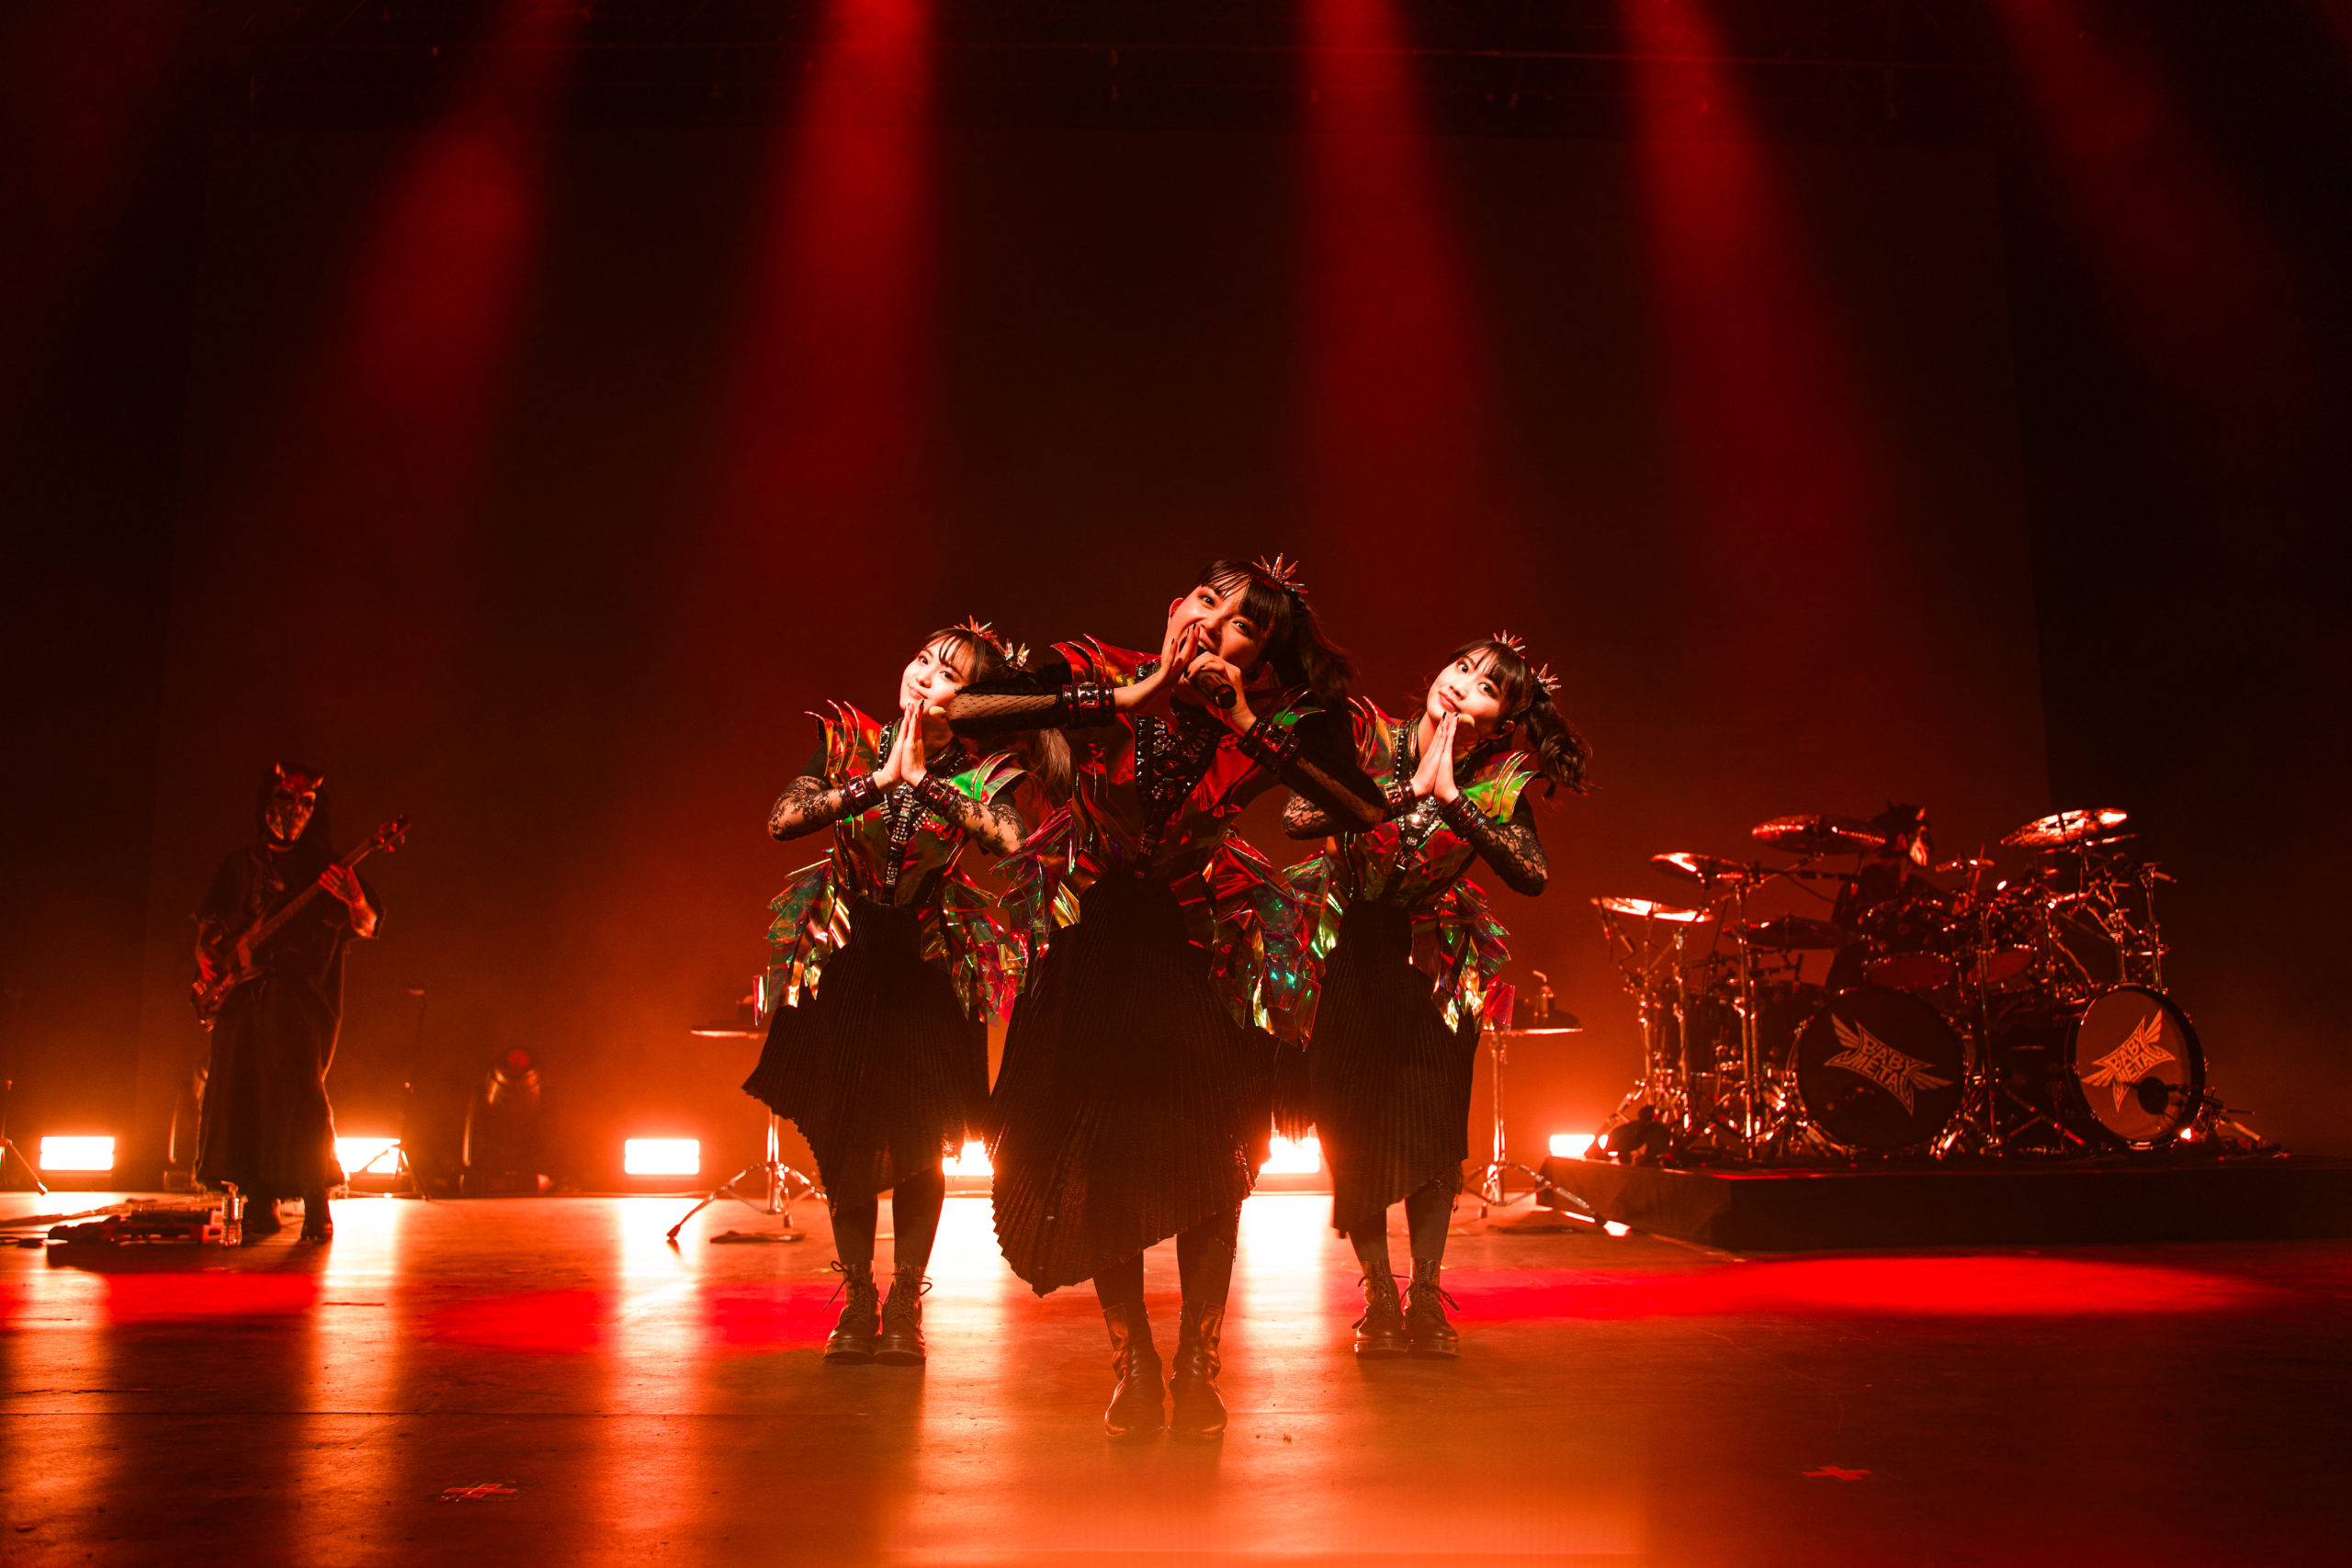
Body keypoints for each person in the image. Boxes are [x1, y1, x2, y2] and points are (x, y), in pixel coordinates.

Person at [943, 557, 1388, 1440]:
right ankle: (1133, 1363)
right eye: (1210, 603)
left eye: (1245, 629)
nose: (1216, 628)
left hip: (1201, 948)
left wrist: (1250, 721)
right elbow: (964, 711)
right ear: (1174, 605)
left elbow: (1361, 810)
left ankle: (1199, 1360)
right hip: (1094, 944)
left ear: (1256, 660)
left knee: (1205, 1161)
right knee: (1103, 1166)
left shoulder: (1268, 715)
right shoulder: (1095, 669)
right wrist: (1122, 700)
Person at [745, 621, 1054, 1367]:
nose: (924, 676)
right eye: (922, 659)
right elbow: (783, 819)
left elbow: (1013, 839)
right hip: (848, 953)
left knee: (919, 1142)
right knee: (847, 1129)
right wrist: (878, 782)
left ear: (975, 702)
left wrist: (922, 782)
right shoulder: (850, 739)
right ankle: (856, 1296)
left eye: (949, 673)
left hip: (926, 961)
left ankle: (906, 1300)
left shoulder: (988, 772)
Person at [1284, 636, 1589, 1358]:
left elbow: (1532, 875)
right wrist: (1405, 790)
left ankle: (1425, 1291)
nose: (1462, 686)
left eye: (1487, 688)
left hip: (1432, 957)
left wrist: (1451, 798)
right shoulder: (1367, 733)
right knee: (1350, 1123)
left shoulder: (1498, 779)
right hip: (1348, 943)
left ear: (1502, 720)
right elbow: (1300, 815)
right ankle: (1378, 1293)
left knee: (1428, 1133)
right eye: (1461, 668)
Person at [193, 765, 381, 1243]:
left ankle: (317, 1201)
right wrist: (205, 955)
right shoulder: (238, 864)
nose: (294, 811)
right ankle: (261, 1200)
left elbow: (366, 924)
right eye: (285, 798)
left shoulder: (325, 867)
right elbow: (210, 923)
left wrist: (356, 897)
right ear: (266, 801)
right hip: (241, 995)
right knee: (242, 1090)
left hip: (298, 993)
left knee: (298, 1094)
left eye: (306, 804)